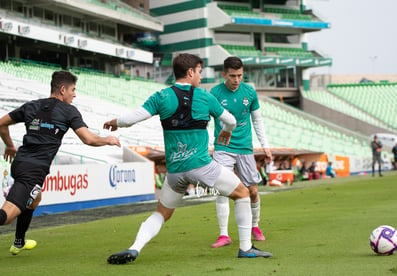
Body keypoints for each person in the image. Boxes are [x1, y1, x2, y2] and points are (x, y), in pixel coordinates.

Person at [103, 53, 272, 265]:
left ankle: (135, 247)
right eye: (200, 72)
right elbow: (230, 120)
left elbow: (132, 118)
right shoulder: (205, 97)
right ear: (190, 72)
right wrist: (227, 131)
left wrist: (115, 122)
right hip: (201, 166)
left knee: (162, 213)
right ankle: (246, 248)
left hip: (175, 171)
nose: (201, 76)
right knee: (243, 193)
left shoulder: (161, 96)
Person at [0, 70, 121, 255]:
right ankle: (18, 241)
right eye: (73, 89)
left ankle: (18, 242)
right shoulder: (68, 111)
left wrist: (9, 145)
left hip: (20, 164)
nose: (75, 94)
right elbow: (88, 139)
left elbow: (1, 123)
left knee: (35, 198)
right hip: (33, 171)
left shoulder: (32, 106)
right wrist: (108, 139)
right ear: (63, 89)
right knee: (6, 216)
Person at [209, 57, 272, 248]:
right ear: (224, 74)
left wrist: (265, 145)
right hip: (223, 147)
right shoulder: (215, 93)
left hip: (245, 147)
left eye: (240, 75)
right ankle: (223, 234)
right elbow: (205, 120)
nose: (236, 80)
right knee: (221, 188)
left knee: (252, 190)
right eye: (232, 76)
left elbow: (257, 121)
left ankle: (255, 225)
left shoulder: (249, 92)